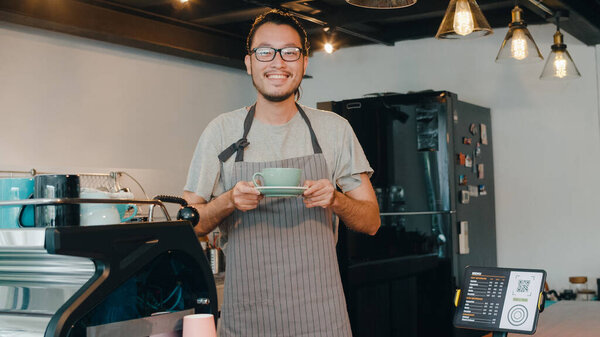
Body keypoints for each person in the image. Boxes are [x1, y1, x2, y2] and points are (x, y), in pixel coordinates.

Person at [183, 9, 380, 337]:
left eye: (290, 52)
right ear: (249, 62)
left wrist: (335, 199)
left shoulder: (335, 130)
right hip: (247, 316)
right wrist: (230, 200)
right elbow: (190, 224)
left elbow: (371, 221)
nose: (278, 62)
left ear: (304, 62)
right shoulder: (221, 131)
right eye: (265, 52)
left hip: (321, 315)